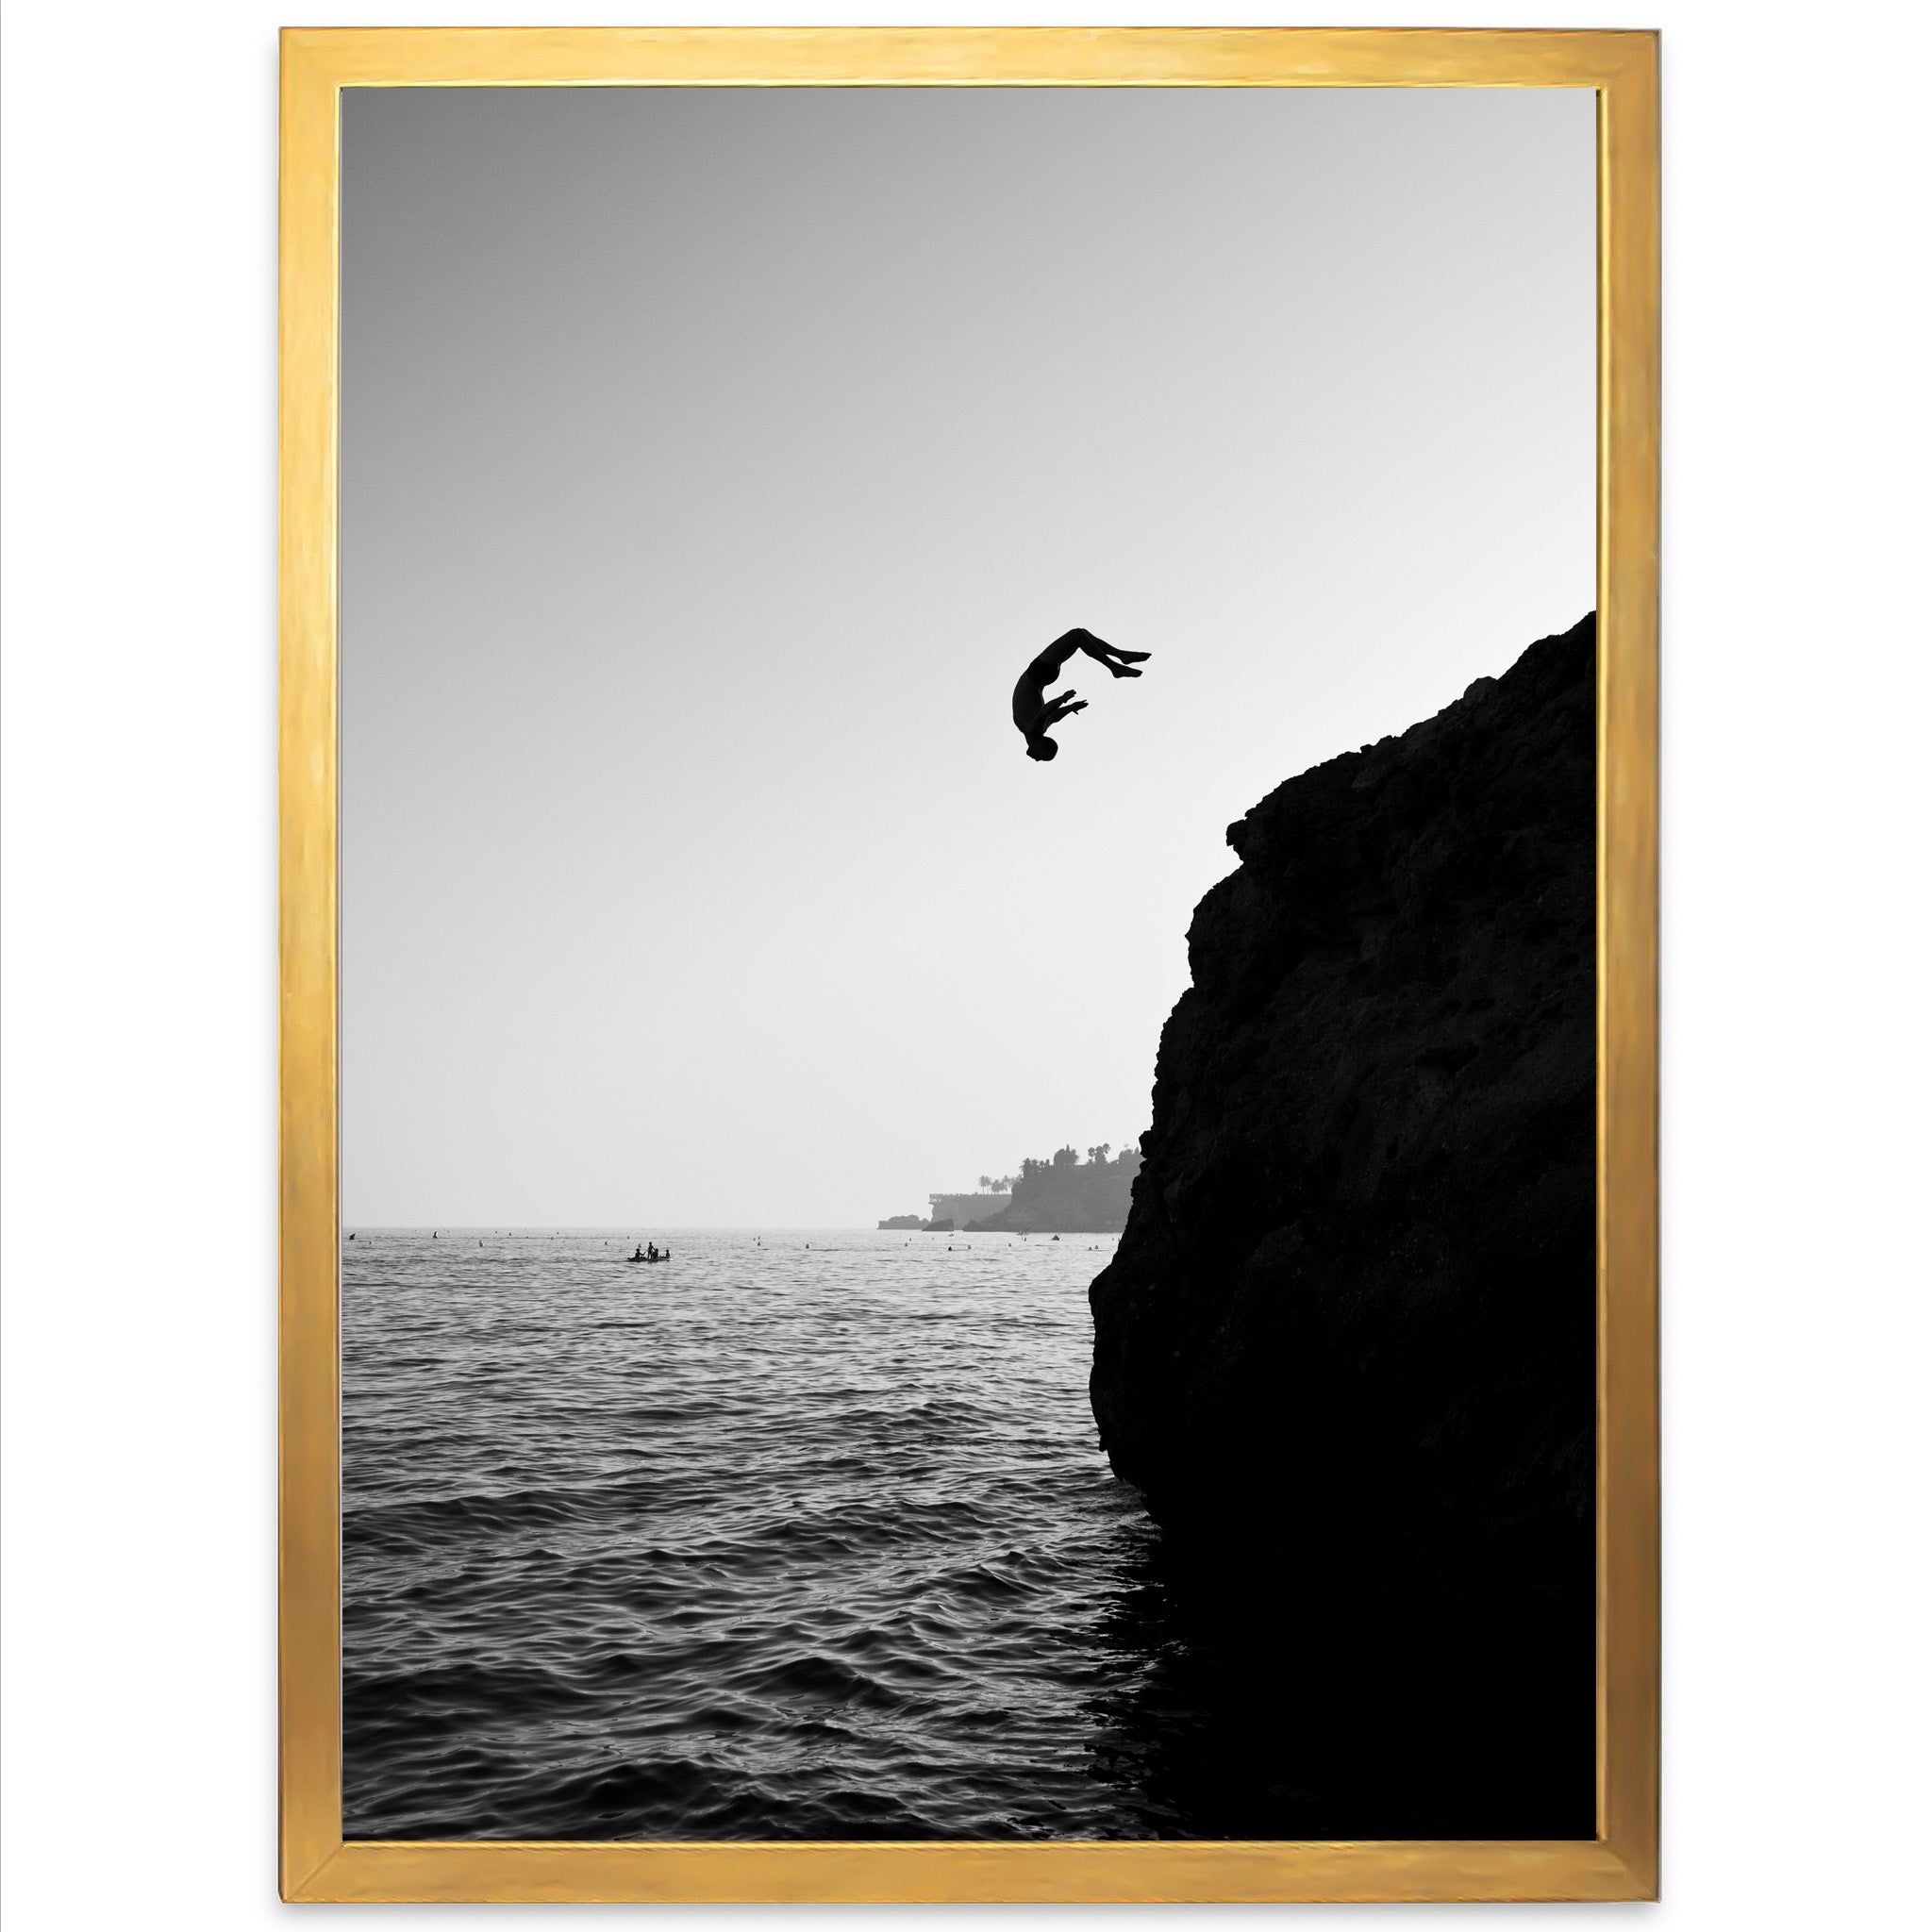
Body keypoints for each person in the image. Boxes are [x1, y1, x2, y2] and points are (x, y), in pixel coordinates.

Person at [1011, 627, 1150, 760]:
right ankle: (1118, 662)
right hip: (1038, 675)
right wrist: (1070, 707)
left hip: (1039, 674)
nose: (1036, 760)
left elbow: (1046, 711)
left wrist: (1063, 700)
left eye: (1041, 757)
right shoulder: (1037, 730)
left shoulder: (1034, 731)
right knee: (1078, 635)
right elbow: (1053, 715)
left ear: (1040, 746)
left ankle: (1119, 660)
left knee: (1079, 635)